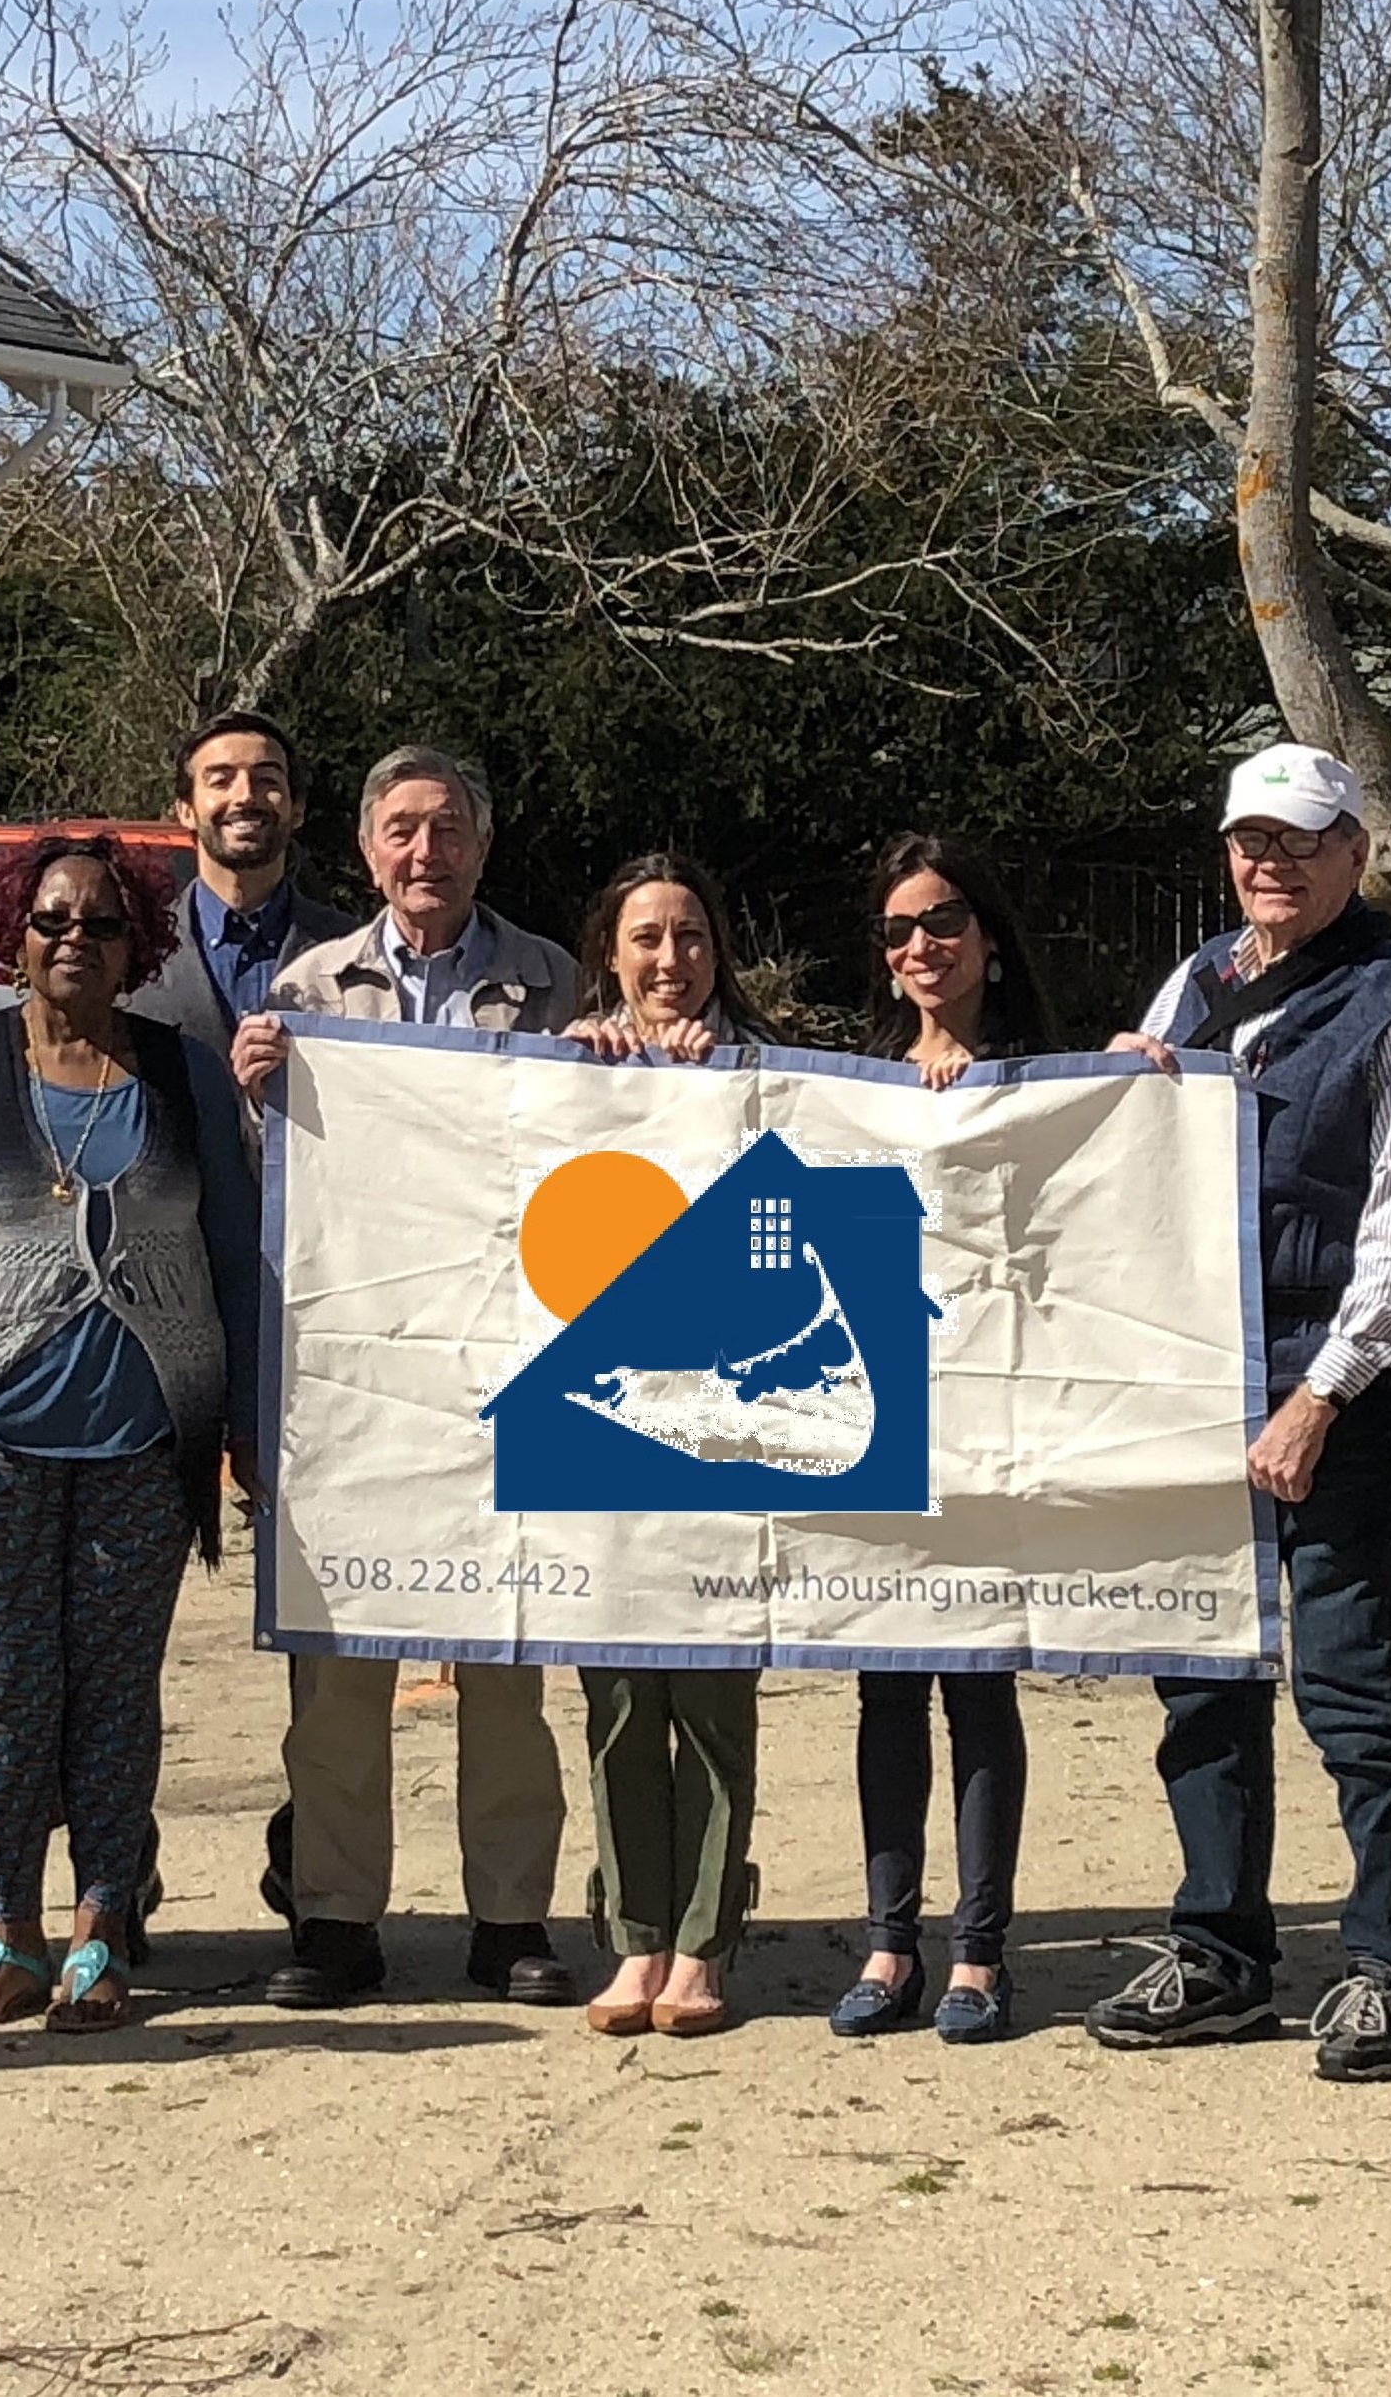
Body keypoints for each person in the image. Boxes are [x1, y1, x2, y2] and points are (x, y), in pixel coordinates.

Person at [1082, 746, 1391, 2086]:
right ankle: (1221, 1947)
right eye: (1251, 840)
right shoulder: (1194, 983)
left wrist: (1321, 1394)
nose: (1272, 863)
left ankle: (1390, 1964)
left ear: (1354, 852)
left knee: (1351, 1682)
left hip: (1333, 1392)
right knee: (1200, 1674)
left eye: (1300, 841)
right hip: (1191, 1385)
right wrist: (1114, 1089)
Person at [0, 832, 259, 2033]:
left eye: (100, 924)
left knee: (114, 1697)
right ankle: (10, 1937)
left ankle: (101, 1935)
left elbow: (235, 1261)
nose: (74, 942)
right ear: (13, 935)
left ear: (135, 943)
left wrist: (241, 1421)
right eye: (52, 921)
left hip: (145, 1448)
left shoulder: (182, 1075)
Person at [232, 746, 583, 2014]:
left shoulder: (548, 981)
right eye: (399, 830)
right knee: (337, 1670)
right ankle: (333, 1922)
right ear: (366, 849)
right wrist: (254, 1094)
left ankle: (511, 1919)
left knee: (506, 1654)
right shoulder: (309, 986)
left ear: (481, 847)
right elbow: (283, 1185)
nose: (422, 852)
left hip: (509, 1360)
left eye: (446, 829)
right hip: (354, 1373)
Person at [831, 835, 1052, 2047]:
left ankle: (977, 1952)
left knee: (977, 1686)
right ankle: (886, 1940)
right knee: (882, 1688)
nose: (921, 946)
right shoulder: (851, 1081)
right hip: (879, 1418)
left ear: (989, 934)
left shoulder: (1058, 1085)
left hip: (994, 1425)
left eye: (944, 920)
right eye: (898, 929)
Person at [555, 851, 773, 2036]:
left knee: (714, 1697)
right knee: (620, 1701)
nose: (669, 960)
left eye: (688, 937)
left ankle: (704, 1941)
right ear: (610, 953)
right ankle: (632, 1936)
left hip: (731, 1424)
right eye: (646, 938)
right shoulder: (563, 1068)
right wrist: (580, 1083)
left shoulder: (764, 1071)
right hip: (599, 1421)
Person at [122, 709, 361, 1061]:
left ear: (298, 810)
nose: (246, 796)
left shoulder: (354, 953)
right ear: (185, 810)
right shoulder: (135, 950)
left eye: (267, 781)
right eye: (221, 781)